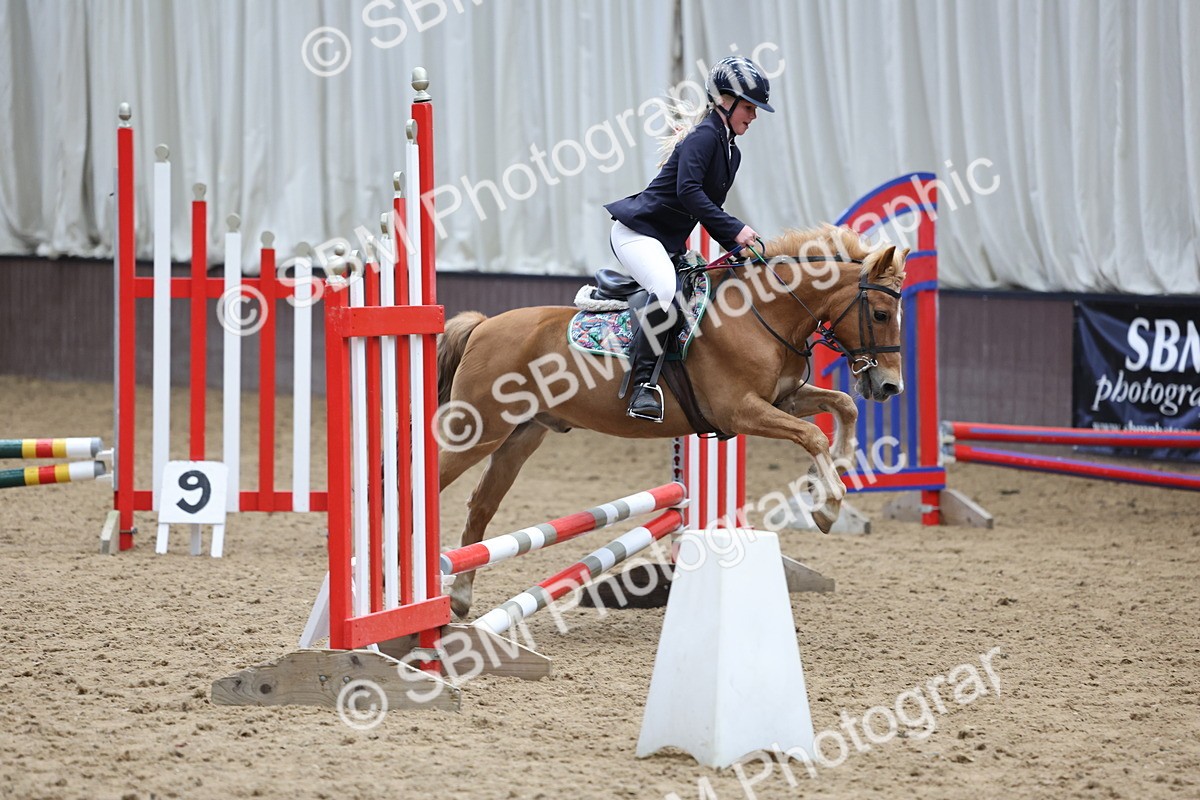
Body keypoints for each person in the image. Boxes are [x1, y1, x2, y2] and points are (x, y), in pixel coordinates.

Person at [604, 55, 775, 422]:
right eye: (749, 107)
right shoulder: (703, 137)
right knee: (665, 289)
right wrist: (736, 228)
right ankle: (642, 388)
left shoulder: (731, 151)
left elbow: (706, 211)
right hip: (637, 233)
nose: (754, 116)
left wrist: (737, 248)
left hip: (666, 243)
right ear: (725, 102)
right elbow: (688, 193)